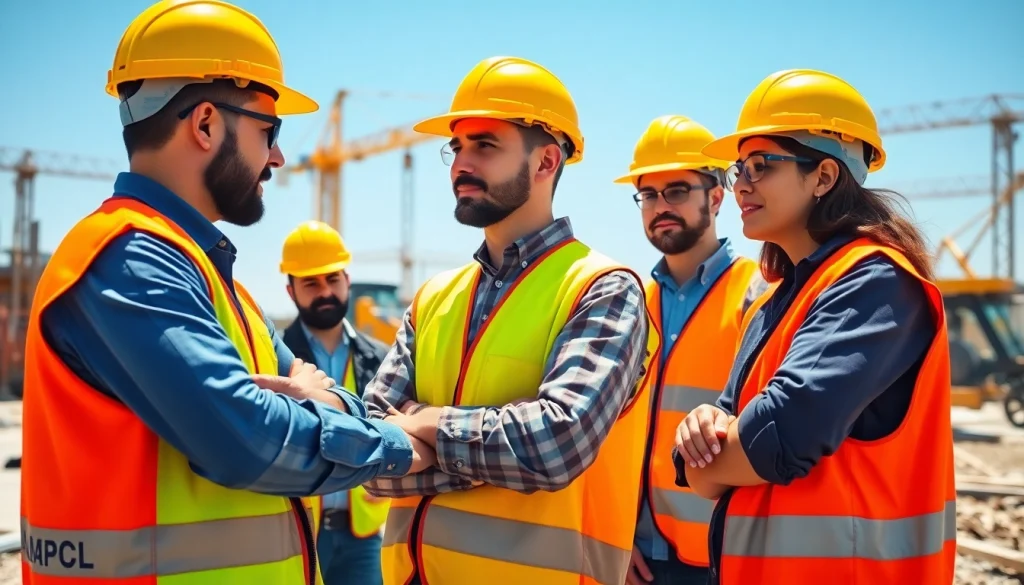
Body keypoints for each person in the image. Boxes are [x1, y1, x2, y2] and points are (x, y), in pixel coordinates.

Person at [19, 2, 433, 583]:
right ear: (207, 124)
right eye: (269, 131)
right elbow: (246, 438)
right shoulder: (128, 259)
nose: (278, 156)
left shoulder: (217, 283)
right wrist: (393, 445)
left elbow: (321, 393)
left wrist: (323, 401)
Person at [359, 55, 660, 585]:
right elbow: (368, 454)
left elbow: (555, 445)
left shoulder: (604, 288)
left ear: (546, 162)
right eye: (456, 146)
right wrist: (489, 455)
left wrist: (423, 423)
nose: (460, 163)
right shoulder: (433, 297)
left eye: (484, 145)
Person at [673, 69, 956, 585]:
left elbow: (778, 436)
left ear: (824, 177)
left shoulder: (876, 282)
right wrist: (703, 431)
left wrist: (713, 452)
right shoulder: (775, 303)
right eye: (739, 170)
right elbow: (702, 475)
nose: (741, 185)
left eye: (761, 165)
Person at [614, 115, 766, 585]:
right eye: (649, 195)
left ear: (716, 198)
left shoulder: (758, 294)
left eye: (677, 191)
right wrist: (616, 533)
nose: (661, 206)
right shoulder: (631, 303)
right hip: (636, 552)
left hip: (720, 552)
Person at [278, 220, 391, 585]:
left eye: (332, 279)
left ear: (347, 280)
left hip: (364, 535)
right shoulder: (274, 357)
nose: (325, 291)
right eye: (311, 283)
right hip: (301, 530)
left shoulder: (383, 358)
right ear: (291, 291)